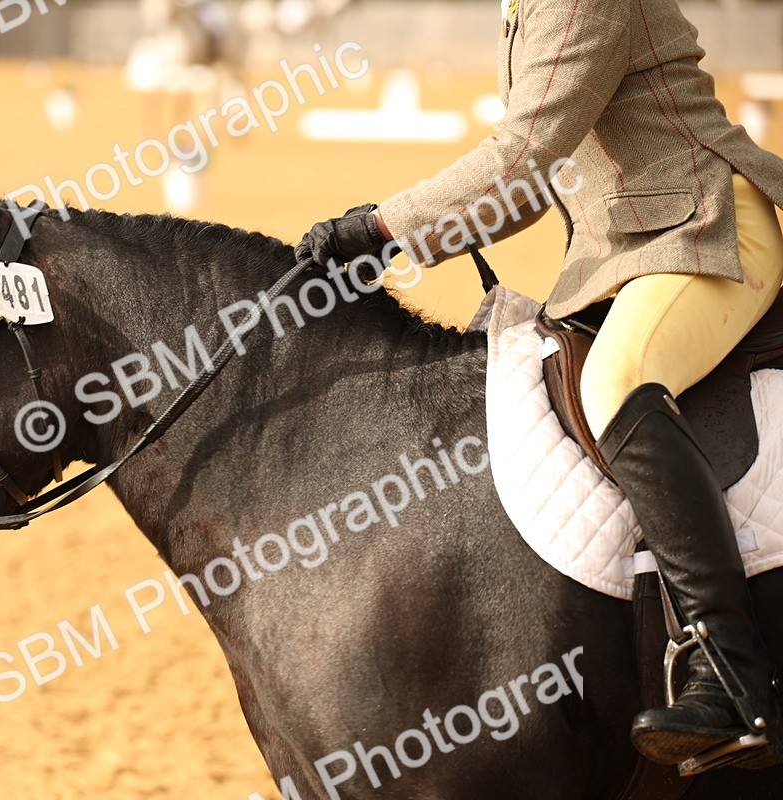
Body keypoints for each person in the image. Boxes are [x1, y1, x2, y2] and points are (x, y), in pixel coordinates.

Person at [296, 0, 783, 772]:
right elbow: (536, 176)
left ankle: (732, 671)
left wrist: (380, 228)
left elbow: (522, 166)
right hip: (620, 248)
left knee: (620, 382)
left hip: (704, 228)